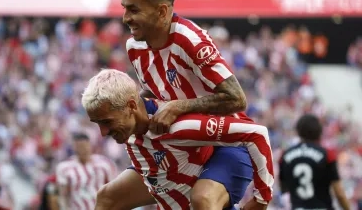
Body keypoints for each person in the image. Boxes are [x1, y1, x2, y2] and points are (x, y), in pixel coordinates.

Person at [119, 0, 269, 209]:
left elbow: (237, 99)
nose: (125, 17)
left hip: (224, 144)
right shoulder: (134, 47)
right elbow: (157, 91)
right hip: (180, 146)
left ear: (161, 11)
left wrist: (179, 106)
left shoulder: (190, 40)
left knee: (202, 201)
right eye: (125, 8)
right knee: (108, 198)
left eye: (133, 10)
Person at [82, 69, 274, 210]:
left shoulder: (176, 126)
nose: (102, 132)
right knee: (107, 199)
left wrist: (261, 199)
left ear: (131, 106)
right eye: (97, 123)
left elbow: (256, 133)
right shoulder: (131, 125)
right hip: (177, 169)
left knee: (202, 200)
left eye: (106, 122)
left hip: (232, 151)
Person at [279, 114, 350, 210]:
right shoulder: (327, 155)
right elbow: (339, 193)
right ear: (319, 132)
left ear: (298, 131)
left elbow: (284, 189)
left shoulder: (285, 155)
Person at [56, 133, 118, 210]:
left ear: (90, 145)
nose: (83, 150)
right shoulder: (65, 168)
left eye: (84, 146)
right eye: (79, 147)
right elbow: (63, 195)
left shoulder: (105, 163)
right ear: (74, 147)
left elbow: (114, 189)